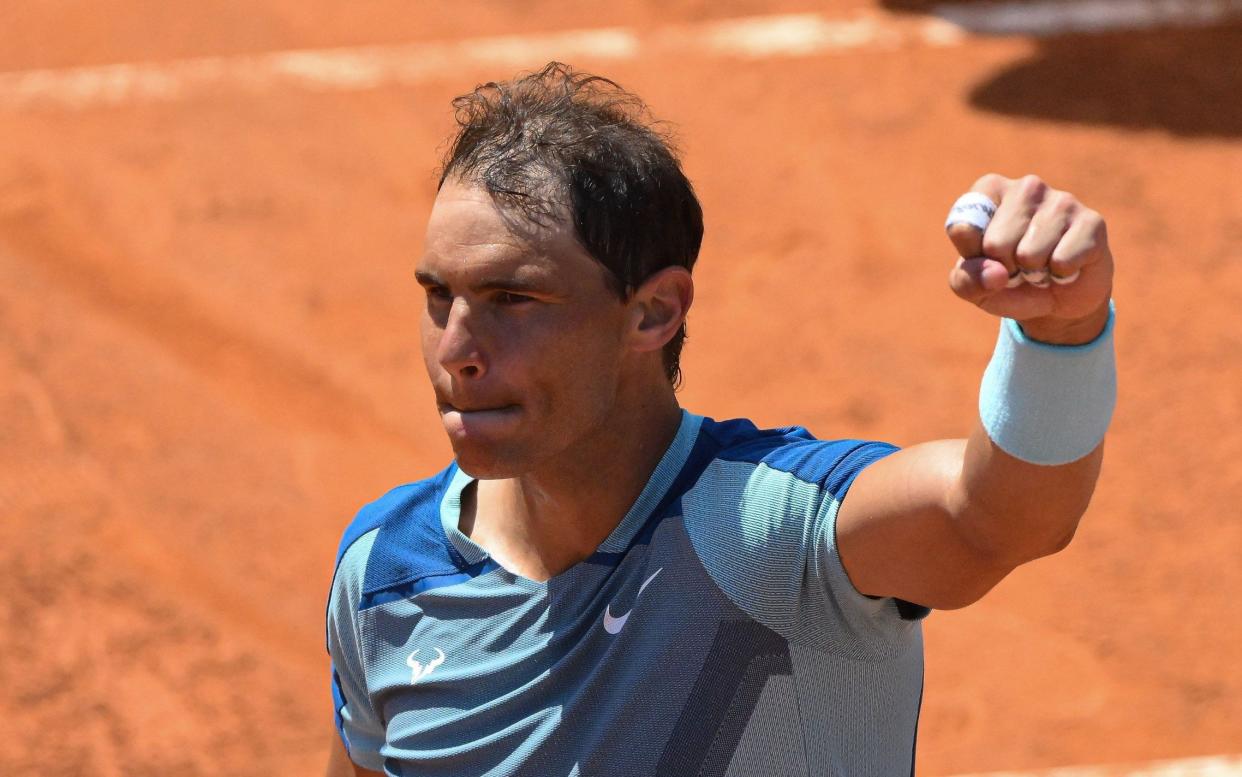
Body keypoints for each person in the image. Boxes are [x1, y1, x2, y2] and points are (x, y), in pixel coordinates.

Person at [325, 62, 1116, 777]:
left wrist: (1060, 336)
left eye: (513, 300)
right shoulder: (385, 579)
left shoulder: (765, 535)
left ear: (654, 311)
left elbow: (998, 517)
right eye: (439, 297)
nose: (456, 350)